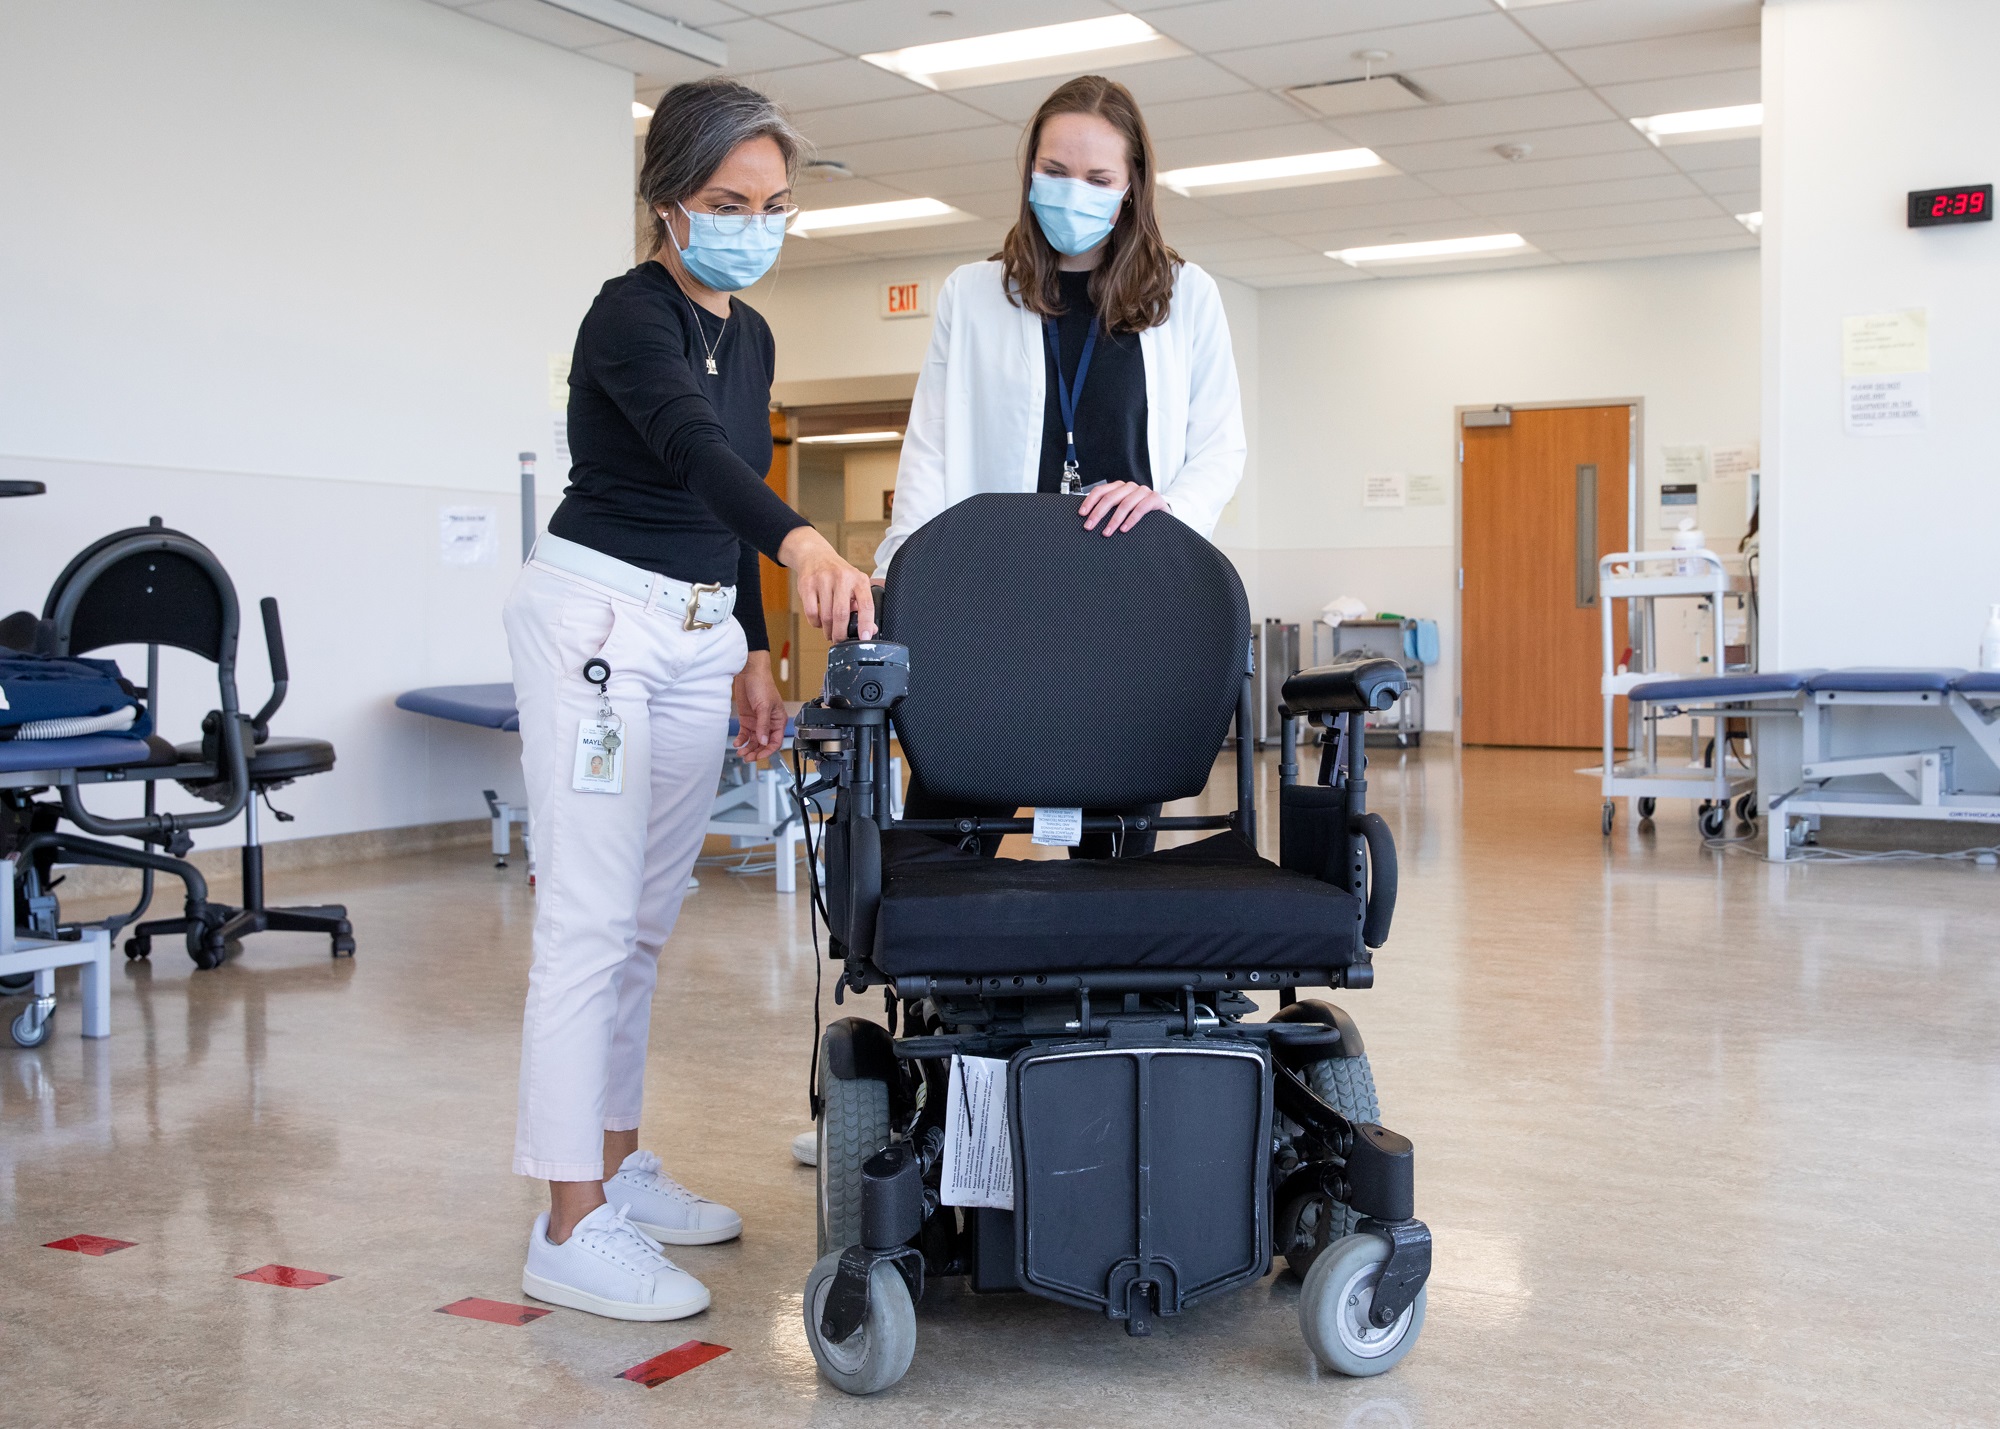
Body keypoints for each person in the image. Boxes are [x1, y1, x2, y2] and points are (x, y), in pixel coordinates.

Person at [790, 73, 1246, 1168]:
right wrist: (903, 600)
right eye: (1055, 170)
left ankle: (1119, 1067)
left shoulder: (1185, 296)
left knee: (1116, 843)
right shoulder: (972, 291)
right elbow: (935, 456)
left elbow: (1218, 446)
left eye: (1097, 176)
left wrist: (1166, 506)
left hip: (1123, 612)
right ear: (1027, 169)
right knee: (946, 827)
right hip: (994, 604)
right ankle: (918, 1069)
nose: (1073, 192)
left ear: (1133, 185)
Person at [505, 77, 874, 1321]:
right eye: (727, 202)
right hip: (596, 624)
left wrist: (753, 651)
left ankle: (611, 1168)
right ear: (669, 201)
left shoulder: (752, 333)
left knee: (644, 925)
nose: (753, 225)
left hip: (690, 628)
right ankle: (564, 1223)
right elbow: (691, 454)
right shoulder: (628, 317)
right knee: (586, 926)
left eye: (773, 205)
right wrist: (803, 542)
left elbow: (726, 498)